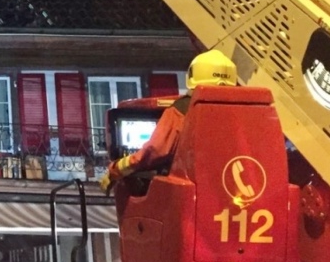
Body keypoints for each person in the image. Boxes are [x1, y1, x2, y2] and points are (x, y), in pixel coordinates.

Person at [100, 50, 237, 193]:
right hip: (233, 191)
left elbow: (156, 150)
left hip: (191, 193)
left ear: (192, 78)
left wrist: (117, 169)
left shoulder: (182, 109)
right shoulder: (243, 111)